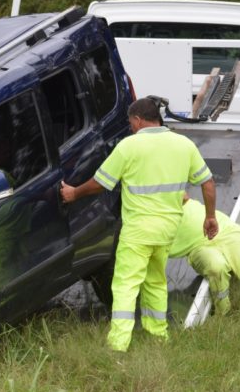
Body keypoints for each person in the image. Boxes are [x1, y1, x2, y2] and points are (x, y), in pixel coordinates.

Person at [60, 97, 218, 352]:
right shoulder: (183, 144)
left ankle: (119, 343)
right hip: (167, 230)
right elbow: (208, 183)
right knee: (155, 281)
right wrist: (210, 217)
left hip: (138, 230)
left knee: (126, 284)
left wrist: (74, 193)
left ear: (138, 119)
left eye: (131, 122)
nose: (130, 127)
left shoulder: (129, 146)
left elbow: (101, 183)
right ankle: (158, 334)